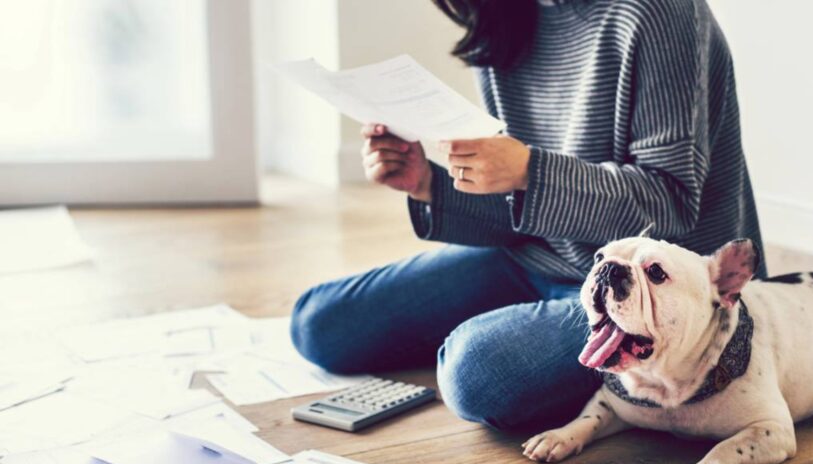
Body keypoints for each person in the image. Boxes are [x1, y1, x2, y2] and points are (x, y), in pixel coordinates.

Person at [290, 0, 765, 432]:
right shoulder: (502, 14)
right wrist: (427, 183)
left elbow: (670, 202)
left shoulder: (660, 12)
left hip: (658, 291)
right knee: (318, 323)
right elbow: (521, 206)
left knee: (475, 373)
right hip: (534, 254)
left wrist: (527, 170)